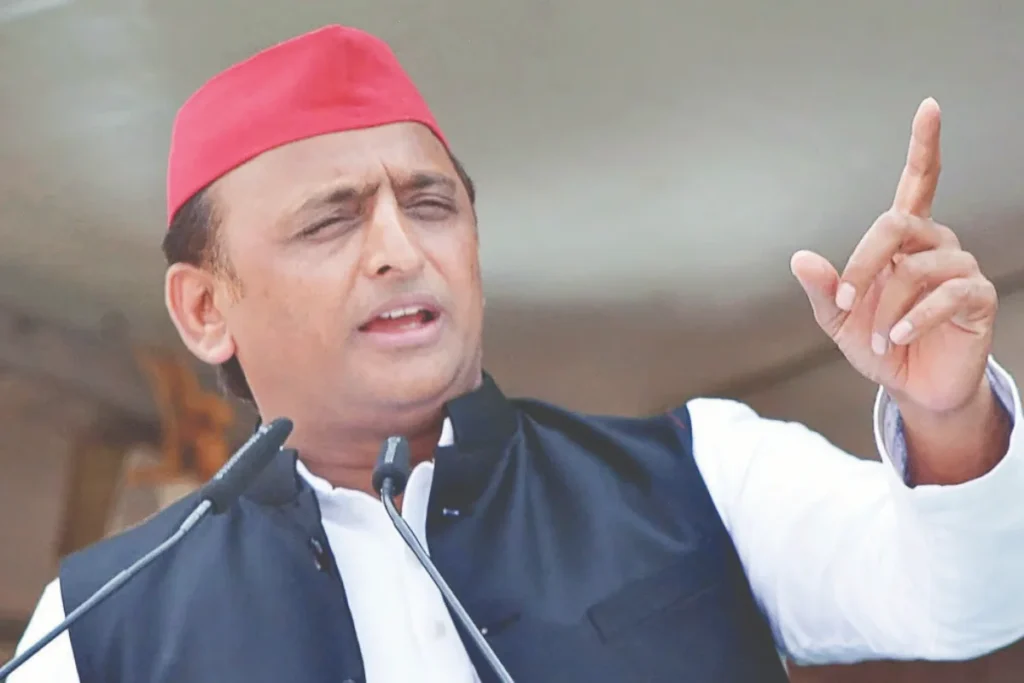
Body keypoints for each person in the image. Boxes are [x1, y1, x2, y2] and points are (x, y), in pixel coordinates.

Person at [10, 24, 1024, 683]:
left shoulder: (697, 470)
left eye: (430, 204)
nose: (400, 250)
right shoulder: (101, 622)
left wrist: (947, 413)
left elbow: (972, 599)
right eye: (331, 221)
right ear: (203, 308)